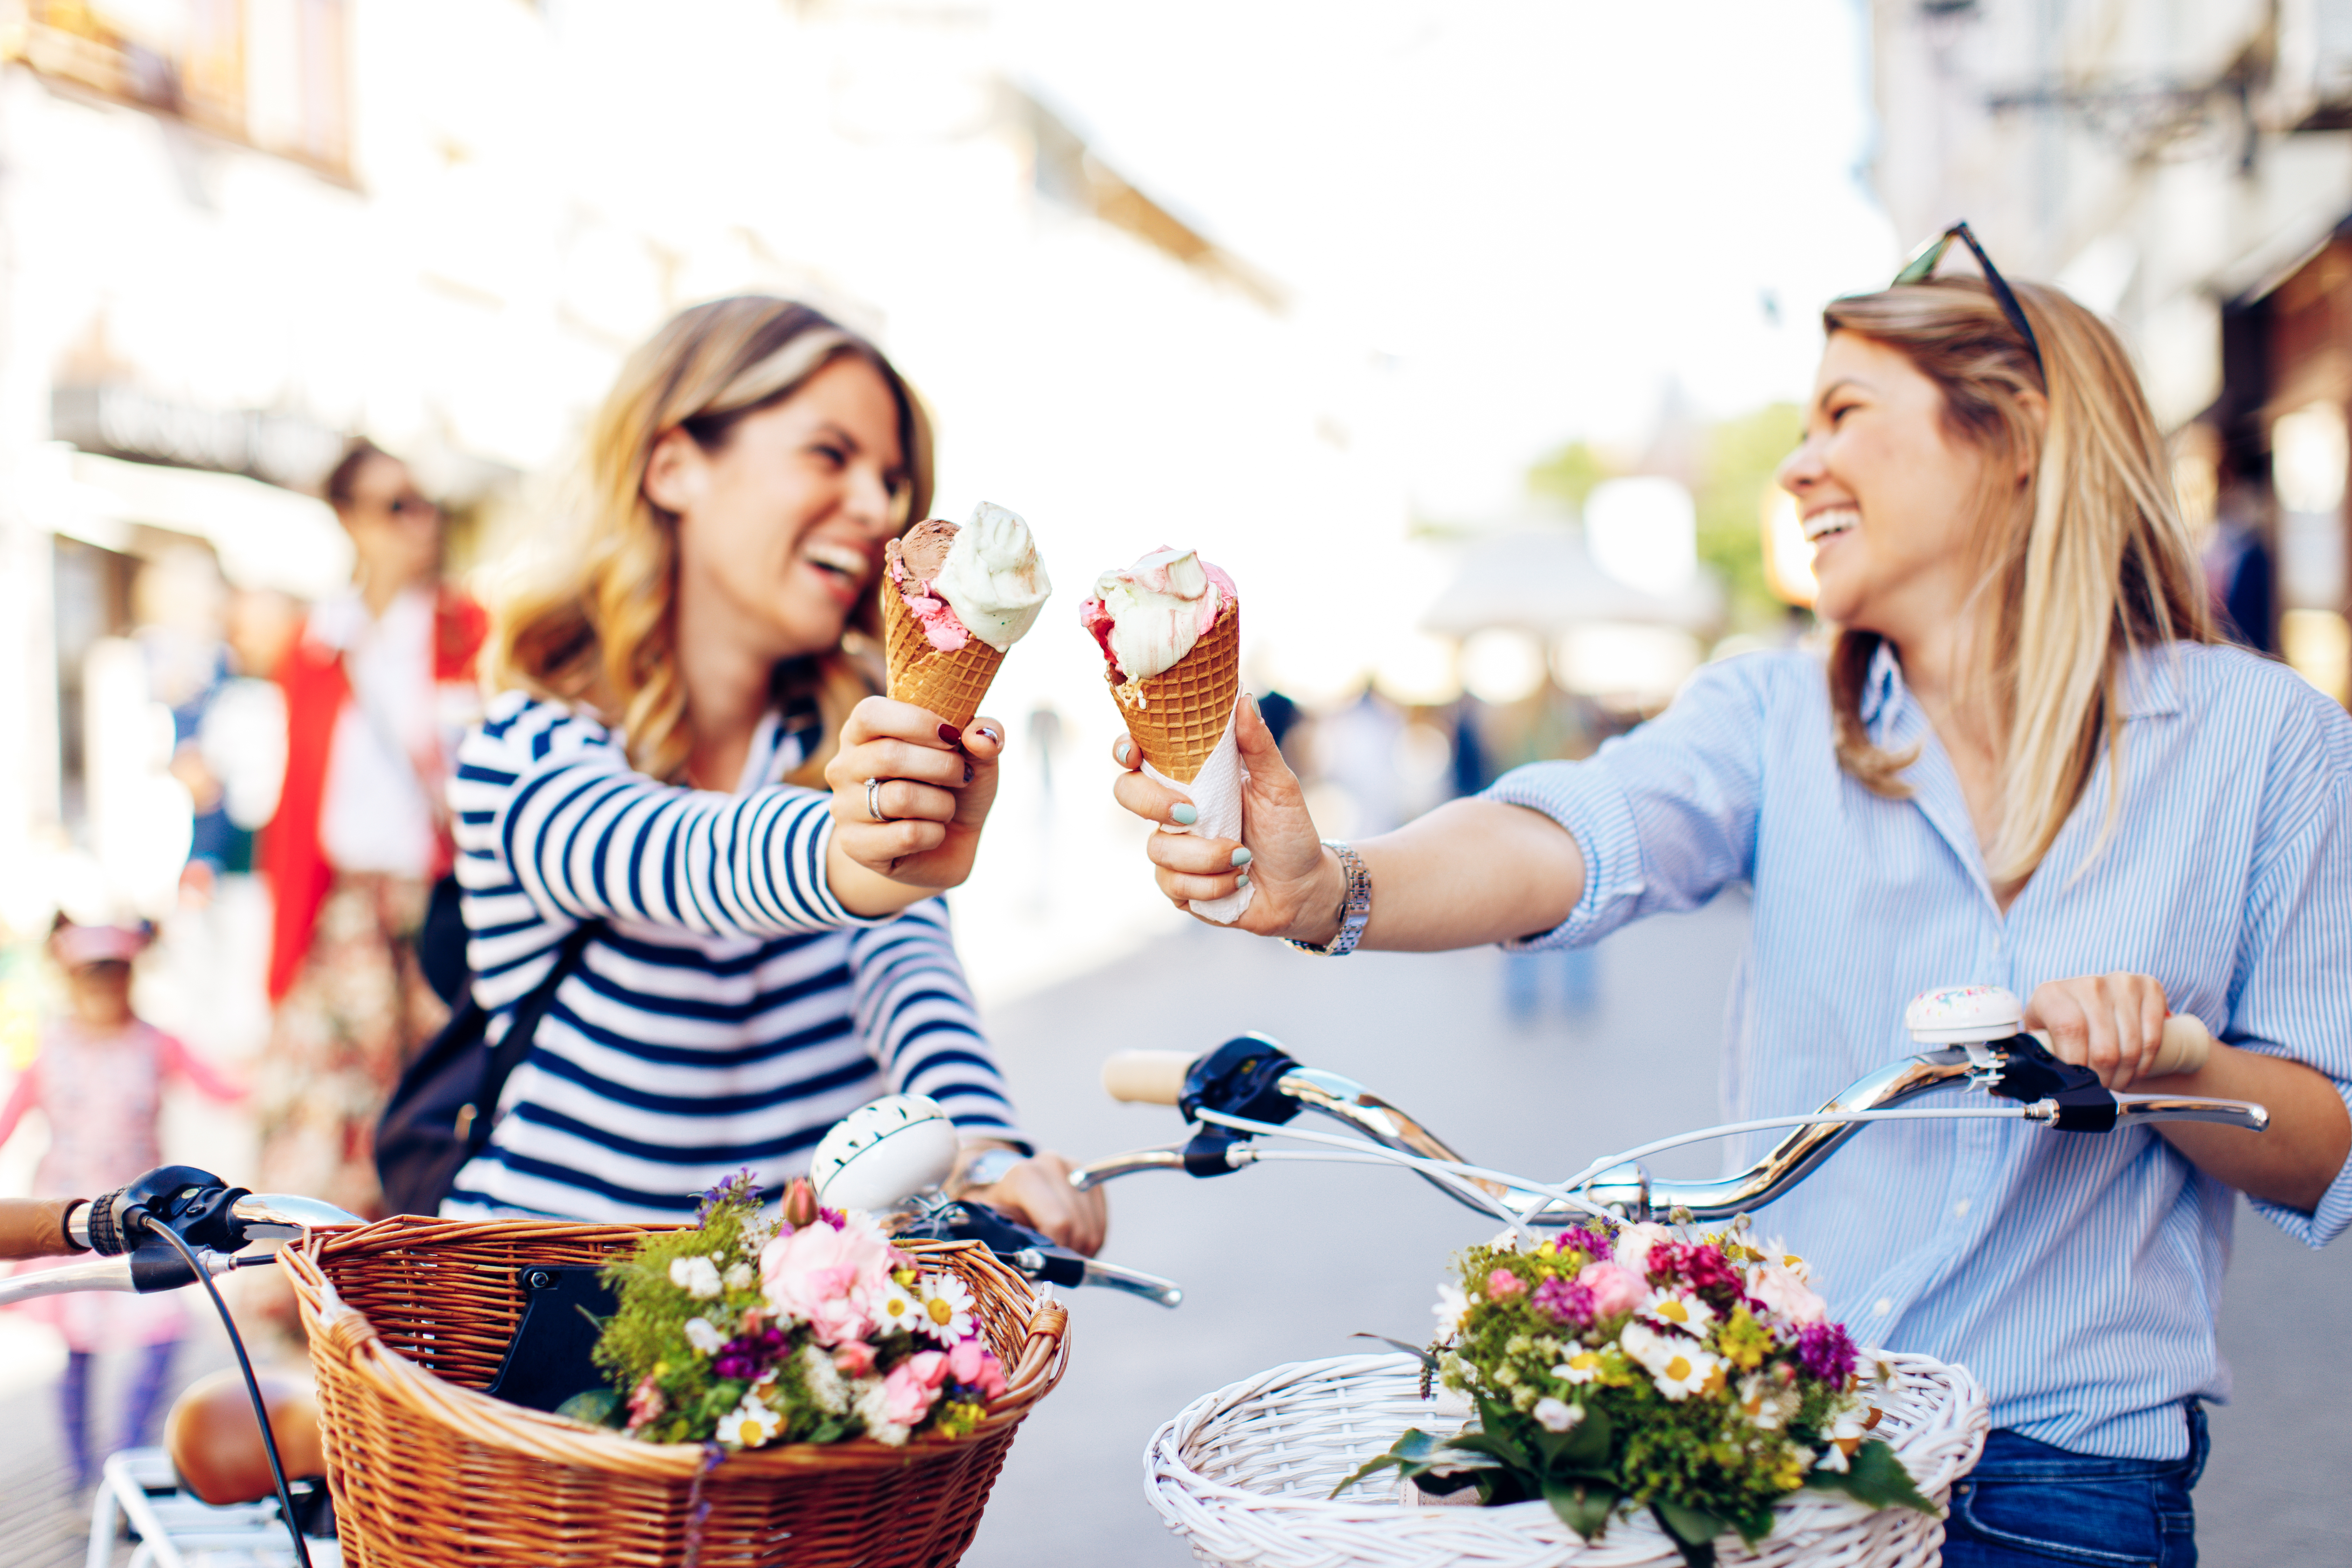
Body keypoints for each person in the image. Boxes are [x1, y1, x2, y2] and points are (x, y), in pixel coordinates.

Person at [1109, 246, 2351, 1566]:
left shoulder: (2263, 741)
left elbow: (2328, 1148)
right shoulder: (1773, 717)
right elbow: (1566, 837)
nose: (1799, 466)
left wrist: (2179, 1062)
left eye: (1846, 415)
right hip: (1793, 1452)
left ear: (2019, 435)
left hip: (2069, 1488)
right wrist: (1334, 887)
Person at [446, 295, 1101, 1251]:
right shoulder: (527, 750)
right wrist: (854, 854)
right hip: (539, 1334)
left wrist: (990, 1156)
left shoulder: (844, 738)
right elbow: (672, 855)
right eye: (829, 456)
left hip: (792, 1344)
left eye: (891, 478)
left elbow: (910, 979)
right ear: (673, 465)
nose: (879, 507)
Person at [257, 440, 486, 1220]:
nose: (421, 523)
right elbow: (298, 799)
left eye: (427, 503)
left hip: (444, 897)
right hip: (348, 905)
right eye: (396, 505)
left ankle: (416, 1268)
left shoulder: (468, 628)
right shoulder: (320, 642)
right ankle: (313, 1272)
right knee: (326, 1098)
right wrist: (283, 944)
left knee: (432, 1091)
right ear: (350, 521)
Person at [0, 920, 243, 1489]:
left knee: (162, 1332)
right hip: (69, 1226)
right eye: (92, 974)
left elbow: (226, 1086)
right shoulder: (51, 1048)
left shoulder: (157, 1043)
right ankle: (82, 1475)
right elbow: (9, 1119)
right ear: (70, 979)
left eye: (115, 973)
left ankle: (122, 1460)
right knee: (78, 1352)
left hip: (143, 1223)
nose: (104, 986)